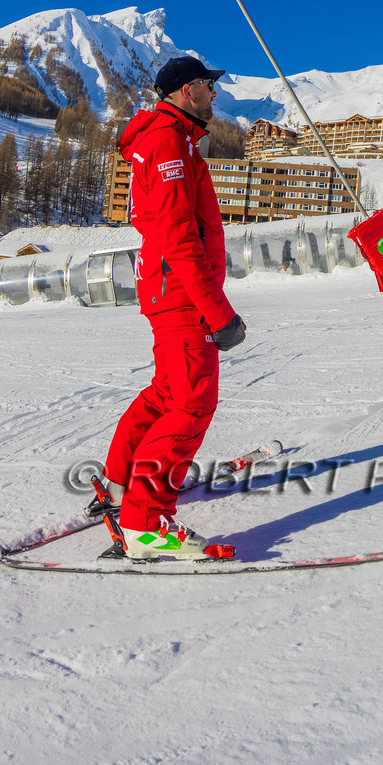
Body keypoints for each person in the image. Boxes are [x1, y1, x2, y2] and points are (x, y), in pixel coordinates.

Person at [97, 56, 247, 561]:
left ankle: (121, 487)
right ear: (187, 90)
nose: (214, 94)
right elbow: (179, 235)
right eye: (208, 85)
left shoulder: (174, 138)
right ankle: (145, 525)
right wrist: (219, 313)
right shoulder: (167, 141)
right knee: (191, 404)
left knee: (167, 394)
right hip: (181, 293)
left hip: (171, 290)